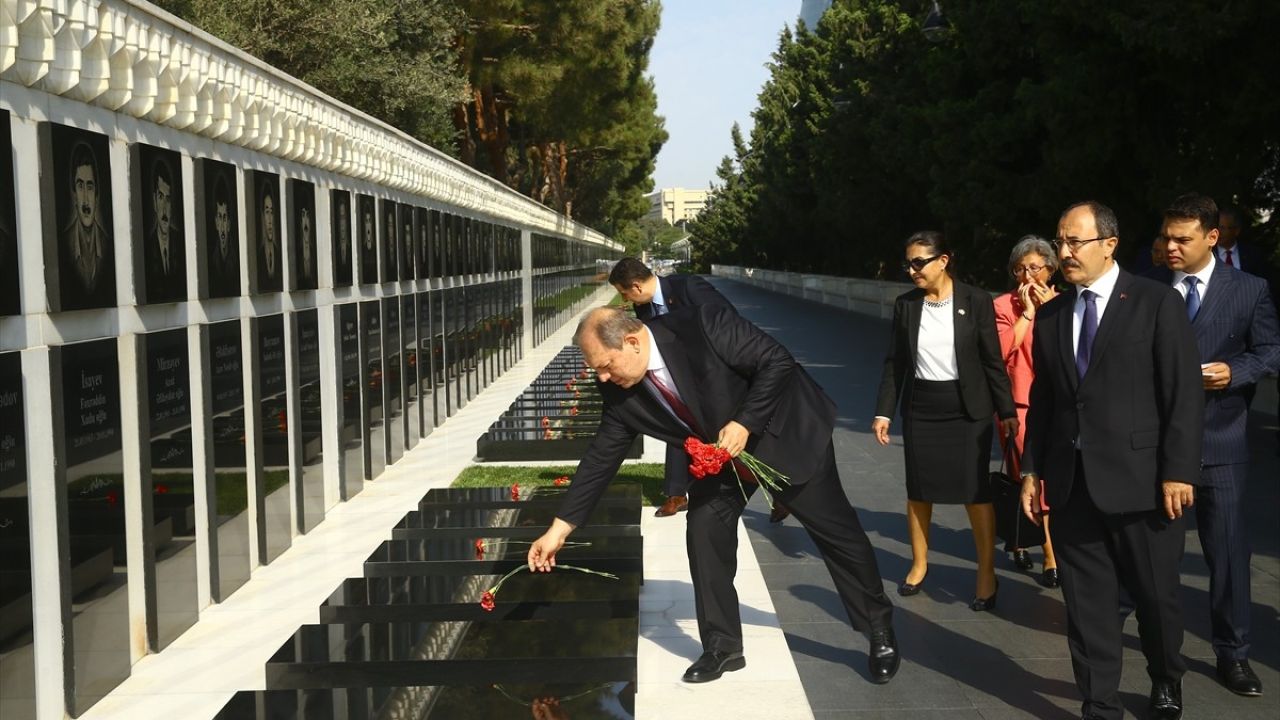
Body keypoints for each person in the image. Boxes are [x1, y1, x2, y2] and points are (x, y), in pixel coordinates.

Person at [528, 306, 899, 685]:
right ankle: (723, 646)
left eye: (606, 365)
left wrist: (745, 422)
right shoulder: (616, 388)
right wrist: (560, 528)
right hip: (721, 457)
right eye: (597, 370)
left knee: (838, 536)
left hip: (781, 435)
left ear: (632, 341)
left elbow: (777, 361)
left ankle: (878, 627)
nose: (602, 376)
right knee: (704, 530)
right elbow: (602, 456)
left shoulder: (701, 324)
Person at [1020, 200, 1203, 720]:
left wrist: (1178, 470)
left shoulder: (1155, 302)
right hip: (1074, 484)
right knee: (1087, 603)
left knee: (1156, 599)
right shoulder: (1053, 313)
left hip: (1145, 484)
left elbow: (1182, 393)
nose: (1064, 252)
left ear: (1110, 244)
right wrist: (1032, 469)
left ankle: (1166, 678)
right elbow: (1048, 400)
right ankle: (1099, 702)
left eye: (1075, 242)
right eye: (1060, 242)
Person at [1146, 193, 1280, 698]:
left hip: (1222, 442)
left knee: (1228, 557)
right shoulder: (1145, 288)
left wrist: (1236, 371)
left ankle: (1234, 654)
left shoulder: (1249, 290)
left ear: (1212, 237)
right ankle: (1164, 658)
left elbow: (1271, 350)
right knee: (1159, 560)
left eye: (1182, 239)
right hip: (1158, 448)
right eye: (1166, 237)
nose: (1171, 247)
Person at [873, 231, 1017, 610]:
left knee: (975, 492)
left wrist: (1007, 412)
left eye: (919, 262)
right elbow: (895, 362)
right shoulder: (906, 305)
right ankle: (919, 564)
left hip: (969, 410)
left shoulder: (976, 300)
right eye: (908, 263)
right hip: (923, 409)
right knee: (919, 491)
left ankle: (986, 573)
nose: (912, 270)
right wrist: (884, 411)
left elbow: (991, 361)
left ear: (944, 260)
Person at [608, 256, 742, 518]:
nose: (625, 300)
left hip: (716, 372)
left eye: (625, 293)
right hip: (682, 377)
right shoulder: (644, 309)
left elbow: (727, 320)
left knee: (739, 435)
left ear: (636, 286)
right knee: (678, 426)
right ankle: (677, 494)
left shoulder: (688, 287)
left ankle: (783, 490)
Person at [992, 236, 1059, 587]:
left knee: (1044, 478)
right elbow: (1000, 350)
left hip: (1056, 404)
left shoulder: (1065, 303)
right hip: (1016, 405)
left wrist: (1049, 312)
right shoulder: (1004, 305)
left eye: (1034, 267)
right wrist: (1029, 314)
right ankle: (1048, 554)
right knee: (1026, 477)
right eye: (1020, 269)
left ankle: (1022, 540)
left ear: (1051, 268)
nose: (1028, 275)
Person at [60, 140, 113, 305]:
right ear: (74, 194)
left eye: (90, 187)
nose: (85, 200)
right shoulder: (64, 242)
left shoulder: (107, 242)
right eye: (80, 186)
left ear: (97, 194)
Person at [143, 157, 185, 303]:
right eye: (161, 197)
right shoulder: (147, 246)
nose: (164, 208)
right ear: (154, 201)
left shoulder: (180, 243)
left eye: (168, 199)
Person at [258, 187, 279, 288]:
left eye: (272, 212)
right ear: (262, 215)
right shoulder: (259, 257)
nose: (270, 220)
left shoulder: (279, 255)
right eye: (267, 212)